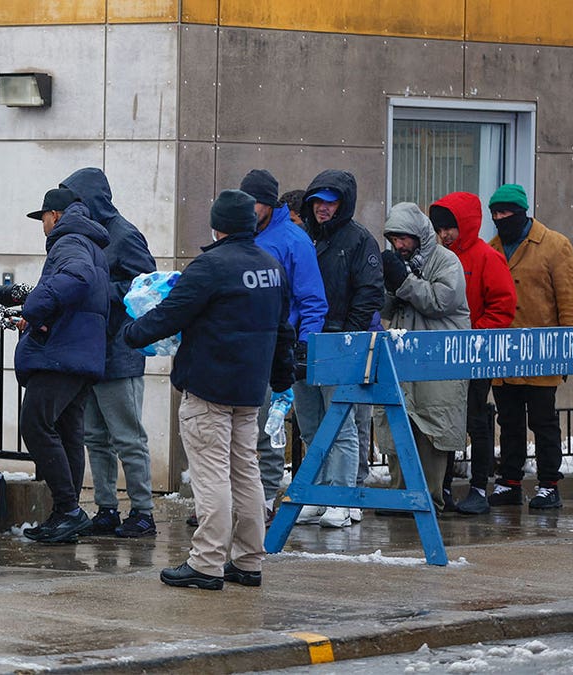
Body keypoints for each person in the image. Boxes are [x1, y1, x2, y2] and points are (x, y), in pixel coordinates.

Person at [125, 189, 295, 591]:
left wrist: (130, 333)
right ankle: (249, 560)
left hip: (208, 387)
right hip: (250, 389)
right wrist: (283, 379)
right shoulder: (271, 267)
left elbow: (170, 314)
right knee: (246, 473)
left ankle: (206, 563)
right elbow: (284, 329)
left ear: (217, 225)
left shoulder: (210, 266)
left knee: (212, 476)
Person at [58, 167, 158, 538]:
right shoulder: (87, 236)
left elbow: (146, 287)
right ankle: (106, 508)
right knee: (95, 438)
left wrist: (98, 291)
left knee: (128, 437)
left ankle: (143, 512)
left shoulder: (125, 235)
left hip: (119, 351)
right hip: (92, 352)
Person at [14, 188, 110, 544]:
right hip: (81, 354)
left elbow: (77, 278)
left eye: (42, 216)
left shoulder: (68, 241)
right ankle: (65, 515)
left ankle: (68, 508)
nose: (41, 223)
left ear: (54, 215)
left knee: (36, 425)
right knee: (69, 431)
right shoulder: (91, 243)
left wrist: (34, 308)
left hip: (62, 354)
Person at [293, 170, 384, 529]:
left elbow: (370, 292)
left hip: (338, 342)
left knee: (342, 424)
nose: (323, 208)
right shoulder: (303, 238)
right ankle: (320, 494)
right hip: (305, 342)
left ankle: (343, 497)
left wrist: (347, 336)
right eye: (318, 201)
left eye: (331, 202)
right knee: (311, 423)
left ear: (343, 204)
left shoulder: (359, 240)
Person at [487, 184, 573, 509]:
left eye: (505, 212)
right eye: (495, 213)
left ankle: (549, 484)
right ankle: (510, 481)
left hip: (543, 350)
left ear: (522, 211)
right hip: (503, 353)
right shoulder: (493, 247)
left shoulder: (555, 245)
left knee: (543, 421)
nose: (500, 218)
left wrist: (567, 350)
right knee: (509, 420)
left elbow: (569, 301)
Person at [241, 170, 328, 522]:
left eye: (256, 203)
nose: (250, 209)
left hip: (275, 349)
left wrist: (303, 345)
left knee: (267, 429)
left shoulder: (294, 240)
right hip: (241, 347)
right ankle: (241, 499)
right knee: (242, 430)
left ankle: (263, 500)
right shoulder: (244, 235)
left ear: (270, 202)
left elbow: (313, 300)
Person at [372, 203, 470, 512]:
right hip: (404, 357)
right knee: (398, 423)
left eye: (404, 239)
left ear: (419, 236)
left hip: (436, 360)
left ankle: (428, 499)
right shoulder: (402, 264)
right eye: (393, 239)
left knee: (432, 430)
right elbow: (387, 309)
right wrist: (382, 285)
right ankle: (399, 495)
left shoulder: (446, 261)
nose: (399, 246)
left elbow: (439, 301)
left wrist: (403, 282)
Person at [429, 192, 516, 515]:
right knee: (446, 422)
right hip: (447, 354)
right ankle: (445, 487)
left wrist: (473, 334)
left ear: (465, 225)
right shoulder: (438, 256)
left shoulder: (486, 257)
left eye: (450, 228)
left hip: (476, 355)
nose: (444, 234)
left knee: (476, 422)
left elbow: (503, 307)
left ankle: (479, 486)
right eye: (439, 229)